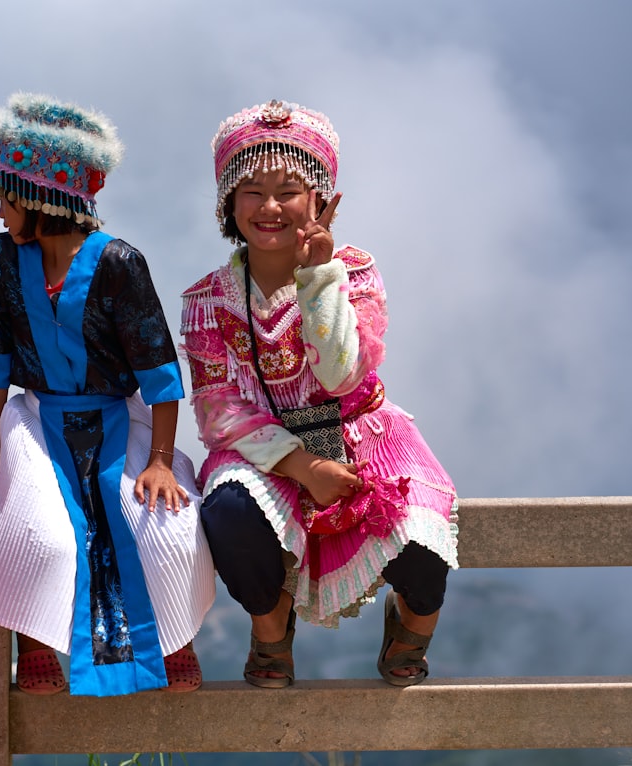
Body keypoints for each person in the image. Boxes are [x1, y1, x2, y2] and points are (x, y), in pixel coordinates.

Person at [181, 99, 458, 688]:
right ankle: (270, 626)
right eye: (251, 190)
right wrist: (303, 466)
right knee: (229, 513)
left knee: (421, 540)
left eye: (289, 189)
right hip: (264, 447)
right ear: (229, 202)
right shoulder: (207, 299)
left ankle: (413, 622)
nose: (270, 207)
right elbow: (216, 409)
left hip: (363, 432)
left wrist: (319, 278)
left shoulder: (352, 272)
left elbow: (342, 377)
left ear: (321, 200)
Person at [0, 93, 216, 697]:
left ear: (39, 197)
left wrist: (157, 462)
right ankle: (36, 640)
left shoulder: (121, 263)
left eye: (5, 198)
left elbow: (159, 372)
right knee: (32, 530)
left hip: (122, 420)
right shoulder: (3, 259)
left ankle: (172, 641)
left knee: (163, 526)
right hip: (37, 420)